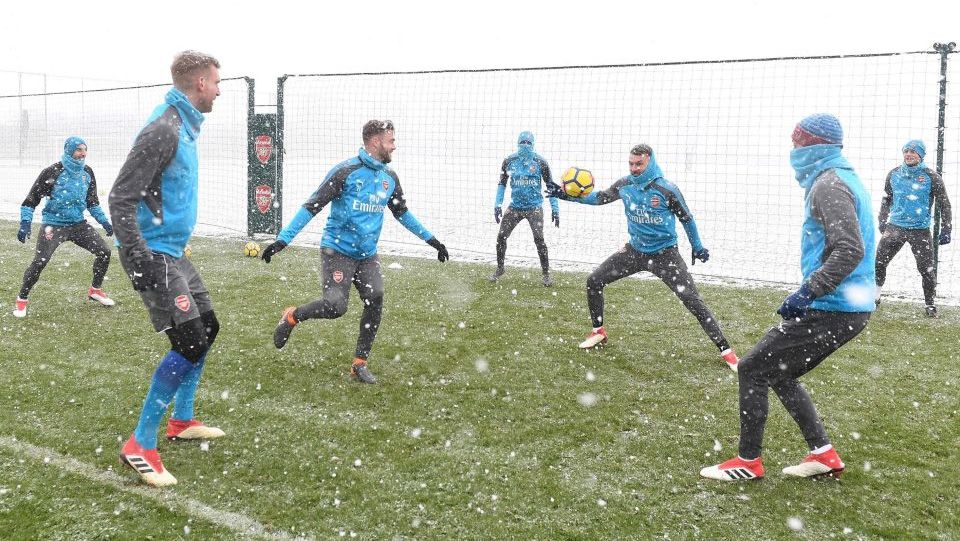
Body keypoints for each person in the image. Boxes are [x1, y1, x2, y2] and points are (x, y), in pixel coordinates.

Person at [701, 113, 875, 481]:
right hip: (849, 306)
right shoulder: (842, 177)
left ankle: (748, 462)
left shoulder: (829, 184)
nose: (792, 150)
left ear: (812, 145)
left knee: (751, 368)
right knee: (779, 372)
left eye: (797, 143)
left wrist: (807, 291)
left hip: (833, 307)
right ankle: (823, 455)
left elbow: (849, 249)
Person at [109, 51, 224, 488]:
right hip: (152, 253)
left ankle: (182, 421)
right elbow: (121, 197)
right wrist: (137, 256)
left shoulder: (186, 127)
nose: (218, 89)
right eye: (216, 82)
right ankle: (140, 444)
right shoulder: (163, 129)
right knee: (189, 341)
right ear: (198, 84)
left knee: (208, 328)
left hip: (173, 251)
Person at [261, 119, 449, 384]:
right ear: (375, 142)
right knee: (335, 307)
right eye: (391, 141)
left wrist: (433, 241)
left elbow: (402, 214)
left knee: (377, 297)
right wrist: (282, 241)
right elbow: (311, 206)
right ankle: (292, 316)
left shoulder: (389, 178)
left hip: (367, 255)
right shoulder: (345, 172)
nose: (394, 146)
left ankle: (360, 363)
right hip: (337, 250)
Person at [545, 143, 739, 371]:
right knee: (594, 281)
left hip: (665, 255)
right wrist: (567, 197)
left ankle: (727, 352)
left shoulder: (667, 189)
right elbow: (601, 198)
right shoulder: (625, 185)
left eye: (639, 164)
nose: (634, 168)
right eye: (631, 163)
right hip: (634, 252)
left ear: (650, 161)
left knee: (692, 301)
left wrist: (698, 247)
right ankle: (599, 332)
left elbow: (687, 219)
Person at [13, 136, 115, 317]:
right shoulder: (52, 171)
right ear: (69, 150)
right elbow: (30, 201)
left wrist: (104, 222)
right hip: (53, 225)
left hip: (78, 225)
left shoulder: (87, 173)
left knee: (104, 252)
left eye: (85, 149)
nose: (83, 153)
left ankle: (95, 290)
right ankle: (22, 300)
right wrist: (25, 223)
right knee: (40, 262)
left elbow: (92, 203)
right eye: (78, 149)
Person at [875, 139, 952, 317]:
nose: (908, 154)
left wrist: (947, 229)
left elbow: (944, 204)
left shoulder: (931, 177)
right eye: (906, 151)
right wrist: (882, 219)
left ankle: (930, 304)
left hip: (920, 230)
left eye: (913, 152)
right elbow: (887, 199)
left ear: (921, 155)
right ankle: (876, 296)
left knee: (926, 269)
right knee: (879, 262)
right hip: (895, 227)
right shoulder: (894, 174)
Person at [491, 131, 559, 286]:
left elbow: (550, 186)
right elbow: (502, 184)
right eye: (523, 143)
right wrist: (498, 204)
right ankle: (500, 268)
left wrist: (555, 208)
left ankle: (546, 274)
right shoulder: (509, 161)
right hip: (515, 207)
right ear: (518, 143)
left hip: (534, 207)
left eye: (528, 143)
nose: (525, 146)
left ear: (533, 145)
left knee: (539, 240)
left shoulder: (541, 162)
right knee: (501, 237)